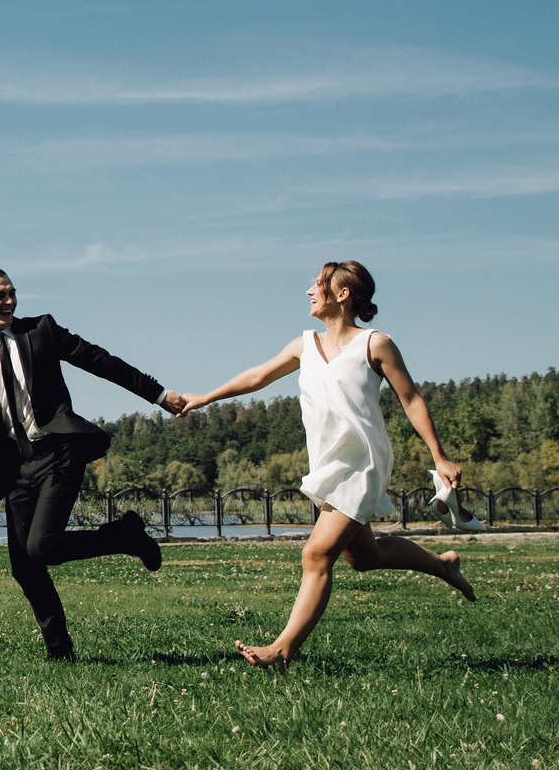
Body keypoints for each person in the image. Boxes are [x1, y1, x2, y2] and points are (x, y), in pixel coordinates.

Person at [176, 259, 476, 669]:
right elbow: (257, 377)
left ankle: (281, 651)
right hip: (327, 466)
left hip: (362, 463)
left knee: (316, 554)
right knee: (363, 557)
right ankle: (443, 565)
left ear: (343, 294)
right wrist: (203, 397)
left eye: (317, 284)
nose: (309, 291)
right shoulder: (305, 344)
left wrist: (439, 456)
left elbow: (411, 399)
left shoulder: (375, 344)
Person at [0, 268, 183, 662]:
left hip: (59, 453)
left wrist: (158, 394)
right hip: (16, 469)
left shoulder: (42, 331)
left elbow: (101, 361)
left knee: (44, 547)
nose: (9, 302)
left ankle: (125, 537)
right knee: (25, 566)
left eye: (12, 294)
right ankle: (60, 653)